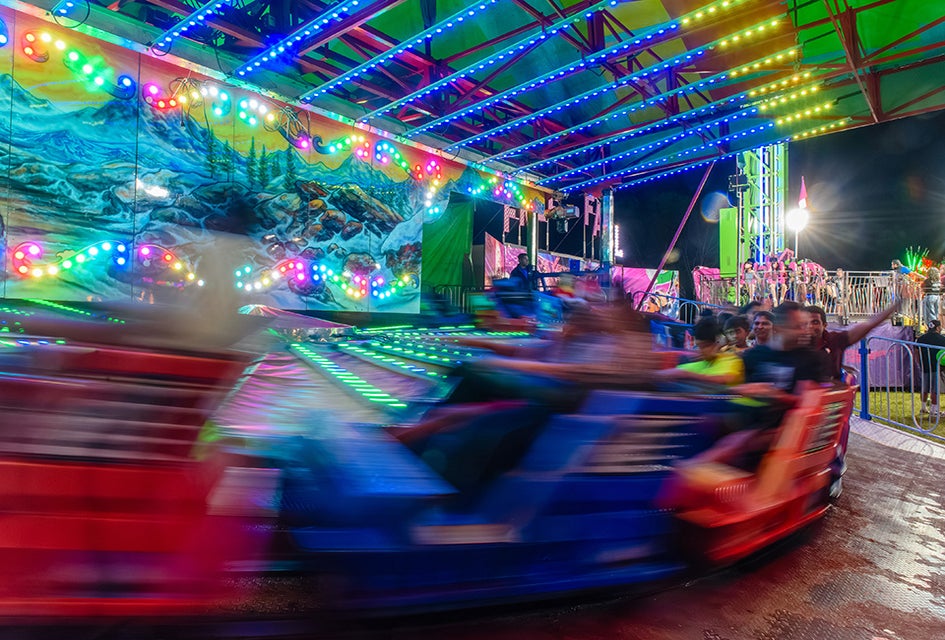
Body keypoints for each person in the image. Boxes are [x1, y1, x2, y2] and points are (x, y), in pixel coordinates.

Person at [741, 301, 831, 394]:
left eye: (805, 325)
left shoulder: (811, 359)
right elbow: (745, 393)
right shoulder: (753, 356)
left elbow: (808, 397)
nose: (805, 332)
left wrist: (773, 394)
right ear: (778, 328)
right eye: (797, 327)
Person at [805, 301, 900, 381]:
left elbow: (867, 326)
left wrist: (894, 307)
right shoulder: (797, 344)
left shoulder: (834, 340)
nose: (810, 326)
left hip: (830, 395)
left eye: (815, 322)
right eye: (805, 323)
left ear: (824, 325)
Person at [658, 316, 744, 387]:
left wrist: (688, 375)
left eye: (705, 346)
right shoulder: (698, 363)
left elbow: (724, 379)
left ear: (718, 342)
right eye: (699, 346)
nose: (700, 351)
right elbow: (674, 372)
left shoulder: (732, 361)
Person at [915, 320, 945, 417]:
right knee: (935, 389)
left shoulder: (921, 339)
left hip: (924, 366)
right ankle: (934, 410)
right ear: (938, 328)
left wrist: (919, 362)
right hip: (936, 367)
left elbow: (916, 352)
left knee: (924, 388)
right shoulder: (942, 339)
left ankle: (923, 407)